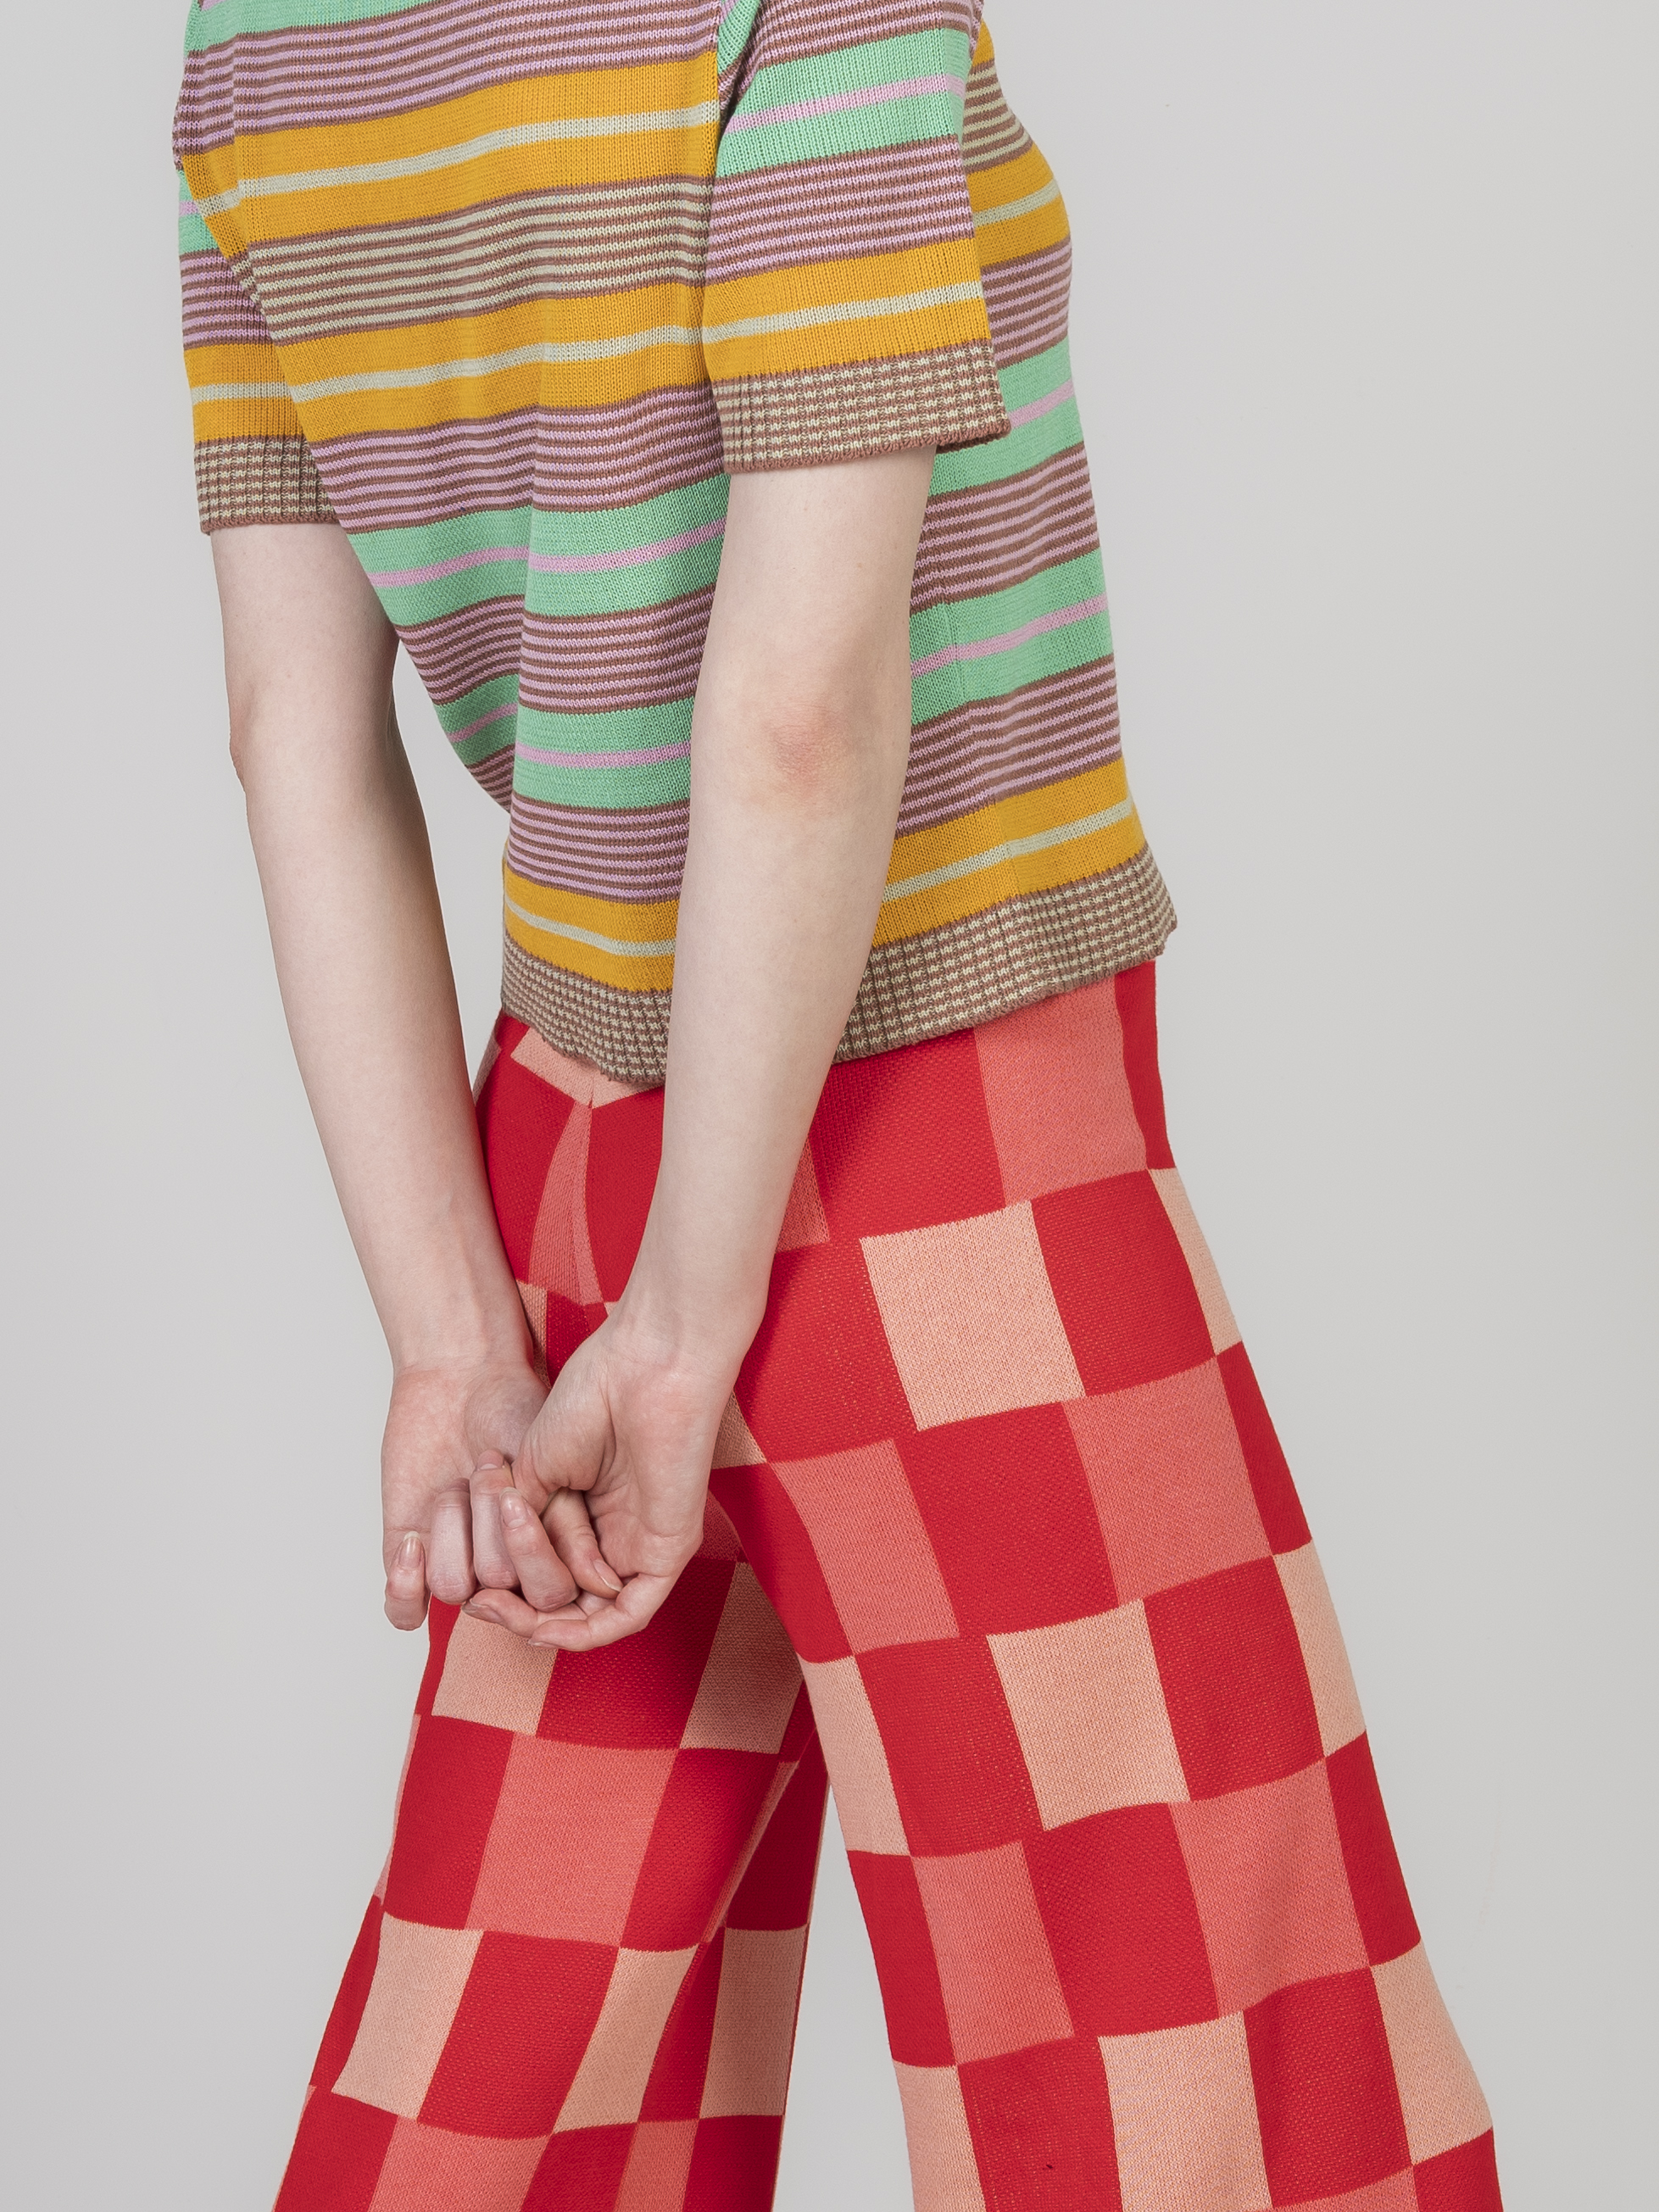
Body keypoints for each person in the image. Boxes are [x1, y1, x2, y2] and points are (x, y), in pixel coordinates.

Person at [175, 2, 1501, 2206]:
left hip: (568, 1167)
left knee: (524, 2042)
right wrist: (694, 1331)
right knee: (1179, 2046)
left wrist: (447, 1342)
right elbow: (799, 704)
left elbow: (291, 736)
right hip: (946, 1143)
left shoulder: (246, 46)